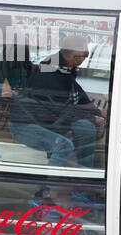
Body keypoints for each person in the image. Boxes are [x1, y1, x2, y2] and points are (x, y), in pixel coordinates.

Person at [8, 34, 105, 169]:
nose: (86, 58)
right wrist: (92, 118)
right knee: (63, 145)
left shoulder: (63, 67)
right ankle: (48, 188)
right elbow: (62, 108)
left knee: (86, 128)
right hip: (26, 125)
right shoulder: (49, 73)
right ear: (74, 56)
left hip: (48, 120)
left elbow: (77, 93)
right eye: (85, 54)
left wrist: (98, 112)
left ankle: (83, 177)